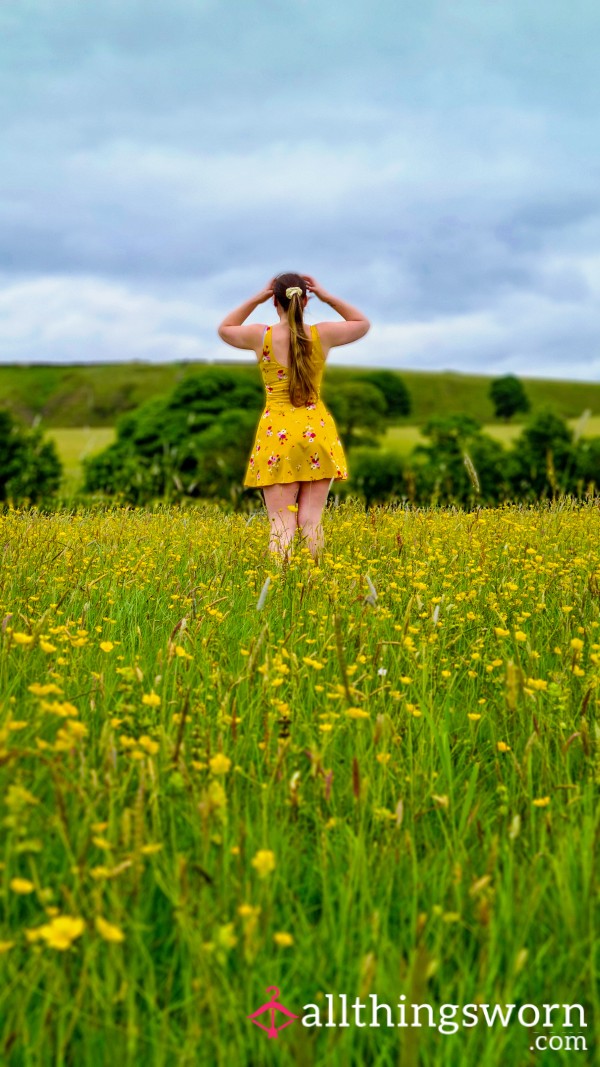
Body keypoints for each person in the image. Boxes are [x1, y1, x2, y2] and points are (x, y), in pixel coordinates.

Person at [217, 272, 370, 565]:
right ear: (306, 298)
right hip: (317, 432)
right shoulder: (322, 334)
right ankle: (312, 585)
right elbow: (361, 323)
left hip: (277, 435)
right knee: (311, 521)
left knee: (281, 525)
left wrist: (256, 297)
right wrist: (327, 297)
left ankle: (279, 588)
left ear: (274, 300)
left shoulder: (261, 336)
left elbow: (226, 328)